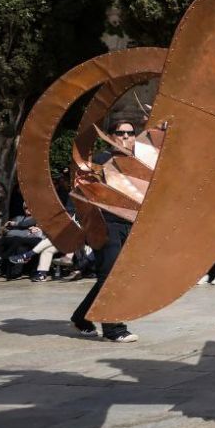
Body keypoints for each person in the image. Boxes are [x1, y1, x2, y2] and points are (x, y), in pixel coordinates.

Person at [70, 121, 140, 344]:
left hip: (128, 224)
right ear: (110, 136)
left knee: (109, 276)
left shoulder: (136, 162)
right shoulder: (101, 160)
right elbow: (85, 189)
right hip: (106, 223)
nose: (126, 137)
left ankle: (81, 318)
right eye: (120, 133)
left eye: (130, 133)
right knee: (111, 277)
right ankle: (114, 329)